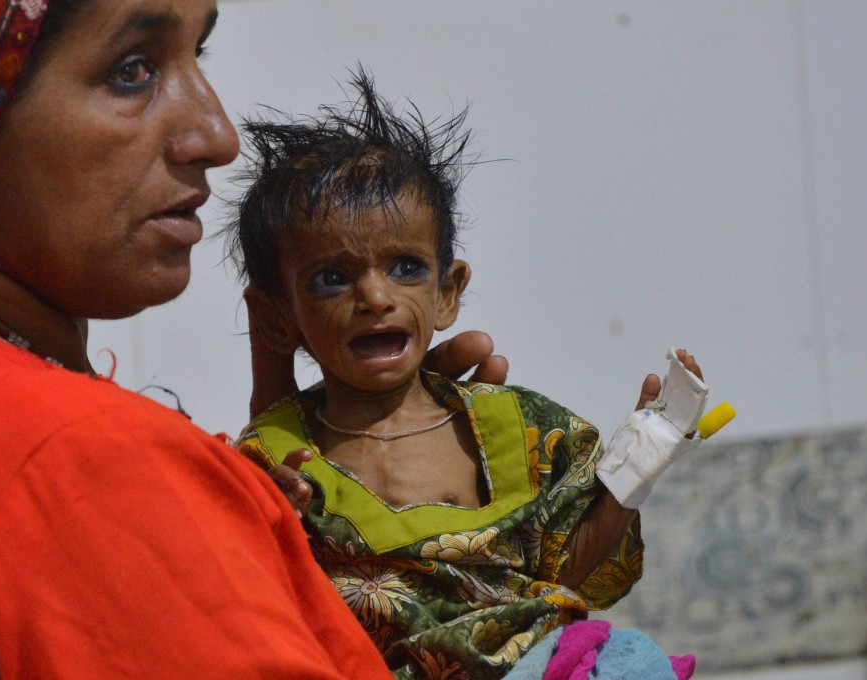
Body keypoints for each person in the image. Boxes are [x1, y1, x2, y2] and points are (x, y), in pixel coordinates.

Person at [0, 1, 508, 678]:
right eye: (132, 71)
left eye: (197, 55)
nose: (218, 135)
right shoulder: (88, 459)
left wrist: (264, 522)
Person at [229, 73, 704, 679]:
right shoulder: (274, 461)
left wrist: (644, 455)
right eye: (331, 277)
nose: (375, 296)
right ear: (276, 319)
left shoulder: (520, 429)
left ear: (447, 293)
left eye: (405, 267)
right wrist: (271, 517)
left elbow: (564, 572)